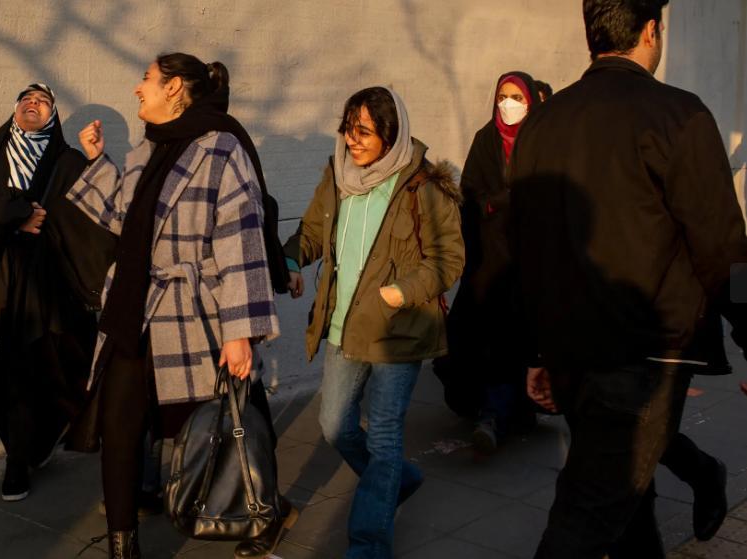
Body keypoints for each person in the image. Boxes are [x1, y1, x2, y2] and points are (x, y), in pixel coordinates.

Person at [509, 1, 747, 557]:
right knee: (587, 517)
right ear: (650, 31)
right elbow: (722, 245)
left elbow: (523, 250)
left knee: (618, 500)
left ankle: (703, 475)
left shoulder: (543, 122)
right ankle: (706, 474)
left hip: (580, 349)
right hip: (644, 354)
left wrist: (537, 347)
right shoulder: (678, 115)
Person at [68, 53, 293, 559]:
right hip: (131, 308)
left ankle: (262, 509)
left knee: (226, 420)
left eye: (146, 79)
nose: (136, 89)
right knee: (120, 428)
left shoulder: (220, 147)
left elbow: (239, 238)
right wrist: (96, 162)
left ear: (175, 88)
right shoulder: (145, 153)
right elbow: (124, 220)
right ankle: (123, 547)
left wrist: (240, 330)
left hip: (191, 313)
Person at [284, 86, 464, 558]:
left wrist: (402, 290)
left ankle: (368, 543)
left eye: (364, 129)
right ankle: (397, 479)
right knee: (334, 426)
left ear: (391, 132)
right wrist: (290, 260)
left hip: (398, 330)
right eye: (348, 127)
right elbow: (314, 231)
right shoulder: (337, 174)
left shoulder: (422, 186)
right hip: (344, 327)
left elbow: (448, 258)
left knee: (384, 435)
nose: (352, 139)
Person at [0, 84, 101, 502]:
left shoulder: (66, 162)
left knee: (42, 367)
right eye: (25, 98)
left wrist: (97, 161)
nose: (32, 103)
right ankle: (22, 451)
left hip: (48, 287)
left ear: (53, 115)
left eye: (42, 101)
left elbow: (96, 208)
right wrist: (13, 216)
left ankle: (21, 457)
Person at [447, 72, 541, 454]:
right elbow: (468, 194)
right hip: (488, 259)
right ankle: (491, 411)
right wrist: (494, 202)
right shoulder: (485, 140)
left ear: (531, 100)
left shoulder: (542, 140)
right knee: (481, 337)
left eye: (516, 95)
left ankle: (504, 411)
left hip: (529, 262)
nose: (508, 102)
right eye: (502, 95)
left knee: (518, 339)